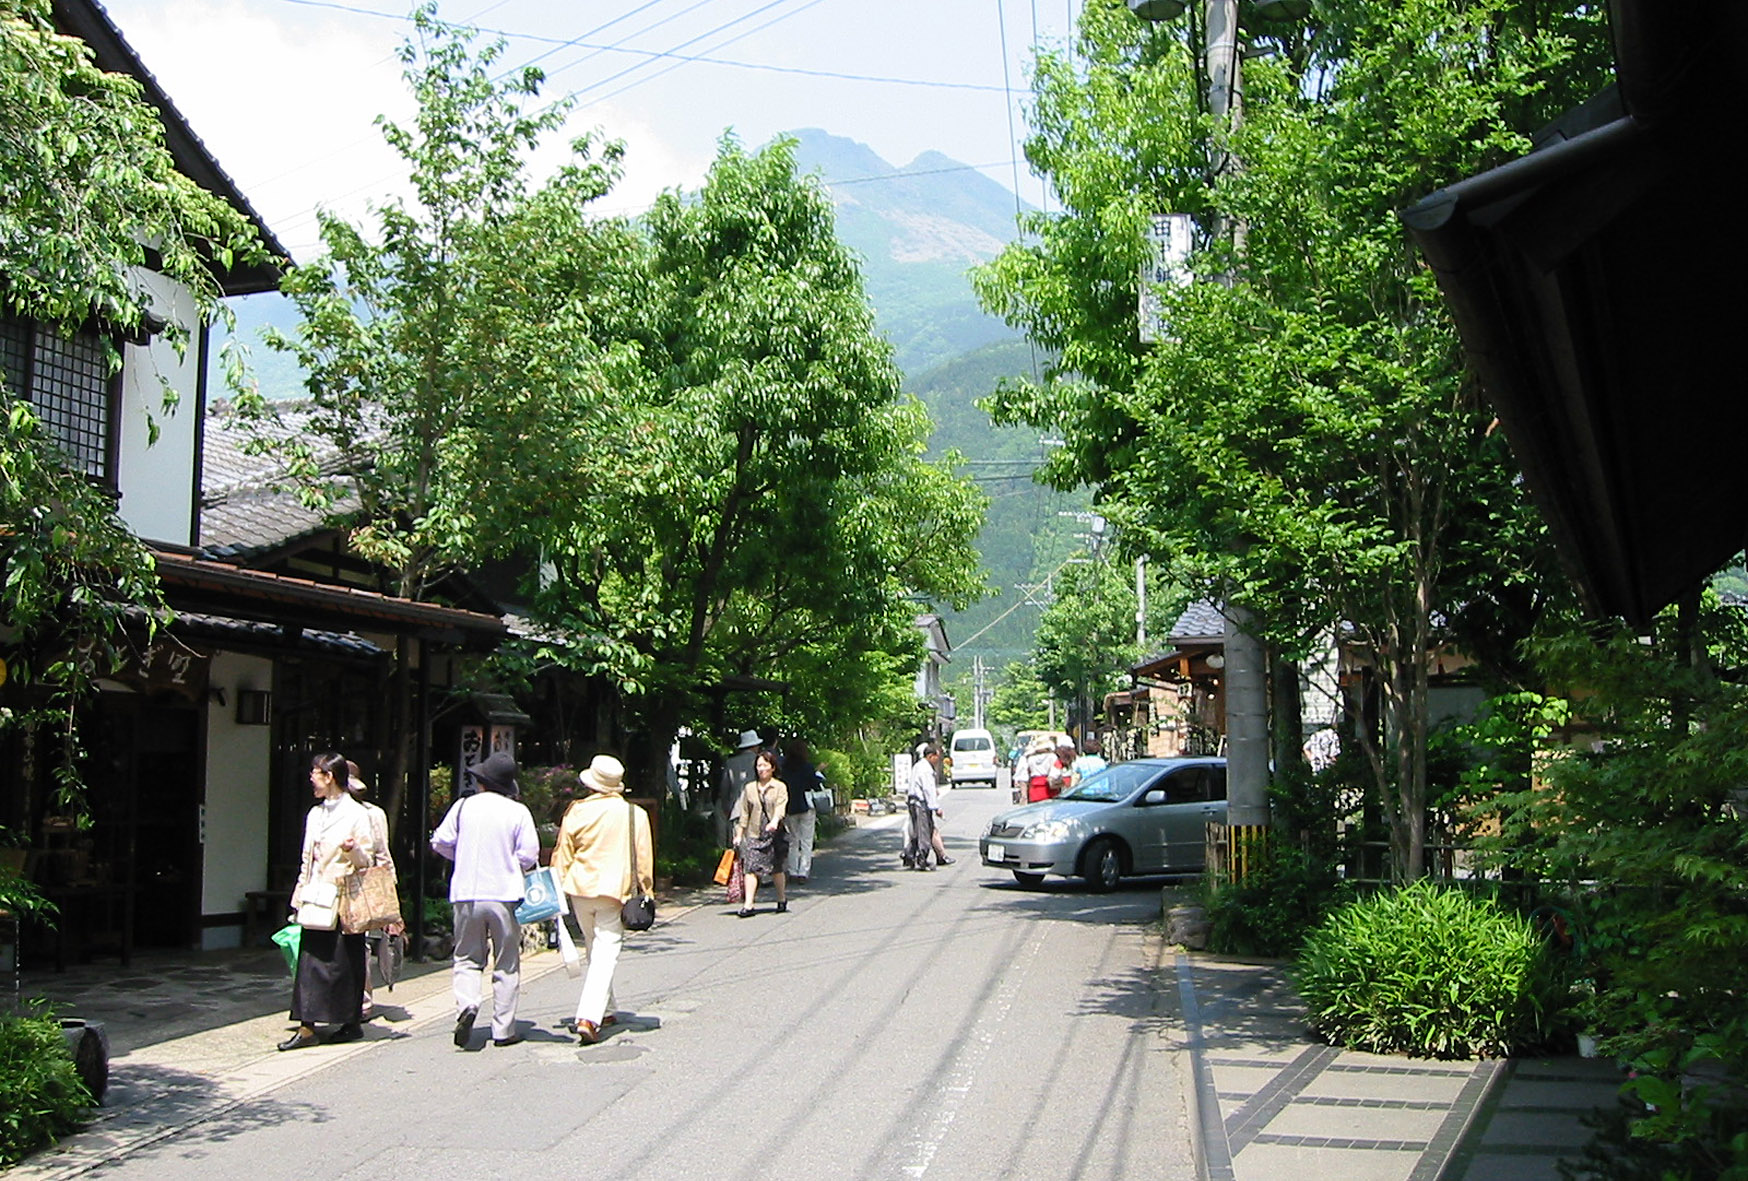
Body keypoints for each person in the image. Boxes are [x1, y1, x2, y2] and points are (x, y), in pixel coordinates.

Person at [430, 750, 539, 1049]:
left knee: (466, 957)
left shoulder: (463, 807)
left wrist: (460, 857)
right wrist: (510, 865)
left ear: (482, 782)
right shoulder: (518, 812)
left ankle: (467, 1005)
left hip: (466, 893)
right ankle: (504, 1030)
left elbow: (440, 841)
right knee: (506, 961)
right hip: (504, 894)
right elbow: (529, 856)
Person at [549, 754, 654, 1046]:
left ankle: (607, 1010)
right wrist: (646, 890)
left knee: (595, 950)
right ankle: (589, 1017)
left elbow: (564, 854)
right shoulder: (634, 814)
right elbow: (643, 860)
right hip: (614, 892)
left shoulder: (576, 811)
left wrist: (558, 887)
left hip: (579, 890)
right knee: (606, 954)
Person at [280, 751, 374, 1051]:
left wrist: (352, 849)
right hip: (318, 895)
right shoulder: (316, 814)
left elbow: (367, 859)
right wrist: (299, 894)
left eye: (315, 773)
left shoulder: (358, 814)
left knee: (347, 960)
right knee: (310, 960)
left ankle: (350, 1021)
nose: (311, 778)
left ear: (329, 776)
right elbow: (307, 859)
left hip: (346, 896)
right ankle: (307, 1025)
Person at [346, 761, 402, 1017]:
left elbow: (383, 856)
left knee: (361, 943)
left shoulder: (372, 814)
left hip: (363, 885)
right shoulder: (322, 812)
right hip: (335, 885)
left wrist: (391, 902)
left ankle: (362, 1001)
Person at [732, 749, 788, 917]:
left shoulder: (779, 787)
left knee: (776, 868)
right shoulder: (749, 788)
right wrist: (739, 834)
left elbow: (781, 807)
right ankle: (748, 905)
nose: (761, 769)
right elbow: (744, 813)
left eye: (765, 765)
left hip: (774, 833)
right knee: (750, 868)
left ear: (772, 767)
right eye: (758, 765)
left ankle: (781, 898)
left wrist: (775, 821)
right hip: (755, 832)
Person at [779, 739, 819, 883]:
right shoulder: (807, 767)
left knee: (793, 841)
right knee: (806, 841)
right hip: (806, 806)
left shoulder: (784, 768)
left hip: (790, 807)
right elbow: (815, 784)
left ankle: (792, 870)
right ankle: (803, 871)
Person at [717, 730, 762, 849]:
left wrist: (726, 808)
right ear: (755, 746)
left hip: (737, 811)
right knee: (755, 849)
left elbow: (725, 788)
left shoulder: (731, 763)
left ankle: (740, 867)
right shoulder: (761, 762)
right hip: (757, 810)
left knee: (738, 848)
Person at [904, 745, 943, 872]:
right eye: (937, 757)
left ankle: (909, 856)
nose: (938, 760)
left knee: (915, 831)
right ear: (931, 756)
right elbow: (928, 789)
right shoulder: (926, 769)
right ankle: (922, 859)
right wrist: (936, 807)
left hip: (912, 801)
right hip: (920, 803)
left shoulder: (918, 765)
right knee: (924, 831)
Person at [1023, 735, 1056, 803]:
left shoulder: (1030, 758)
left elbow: (1028, 772)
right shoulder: (1052, 757)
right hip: (1048, 785)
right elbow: (1055, 771)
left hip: (1034, 784)